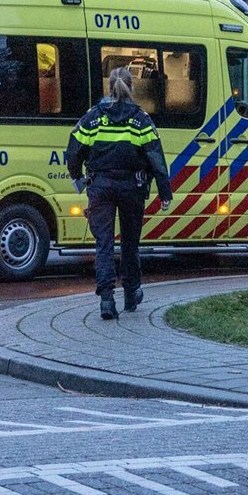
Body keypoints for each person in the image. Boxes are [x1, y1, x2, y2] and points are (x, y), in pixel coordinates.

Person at [66, 67, 173, 319]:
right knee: (129, 243)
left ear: (109, 87)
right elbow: (156, 158)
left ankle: (106, 300)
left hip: (100, 188)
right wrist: (164, 192)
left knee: (104, 244)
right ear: (131, 88)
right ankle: (131, 293)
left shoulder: (92, 118)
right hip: (131, 189)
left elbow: (73, 151)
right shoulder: (141, 120)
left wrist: (77, 177)